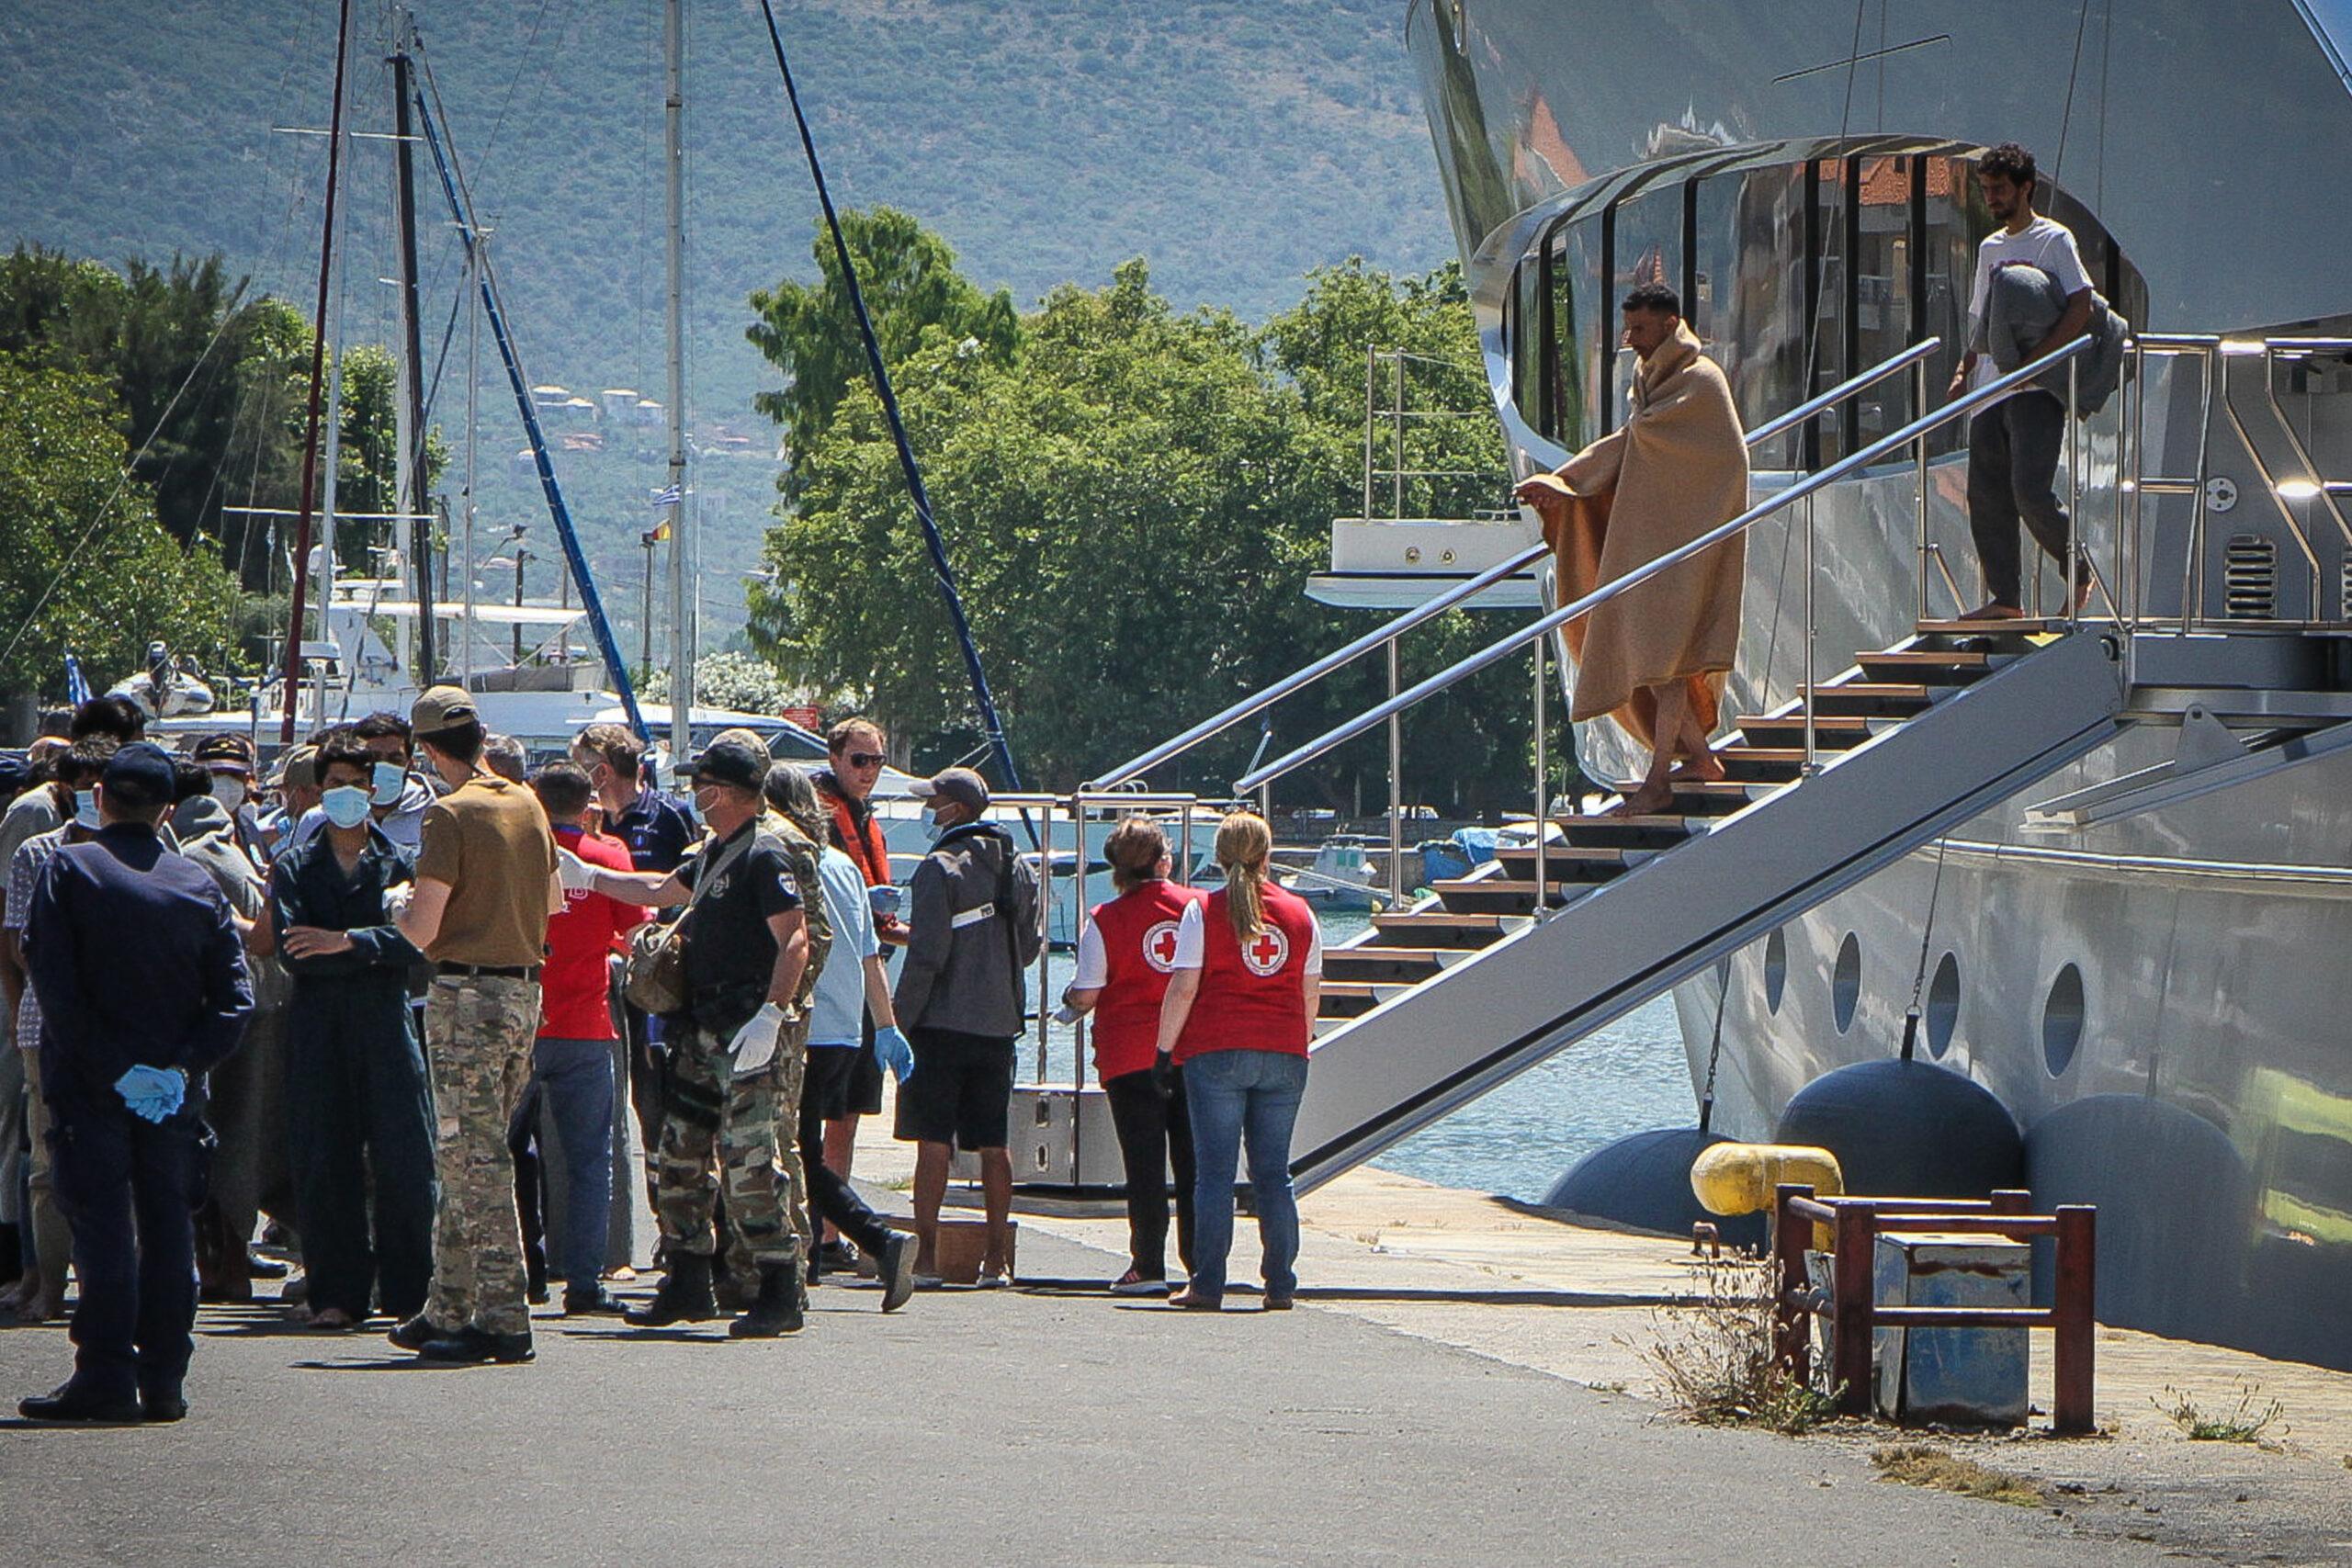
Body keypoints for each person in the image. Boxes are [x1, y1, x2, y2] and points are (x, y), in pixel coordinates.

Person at [18, 741, 252, 1421]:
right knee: (167, 1225)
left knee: (102, 1227)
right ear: (167, 810)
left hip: (93, 1083)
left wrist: (112, 1067)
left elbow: (54, 985)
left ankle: (106, 1373)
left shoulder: (70, 867)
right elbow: (232, 999)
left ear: (101, 799)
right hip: (171, 1088)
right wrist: (180, 1066)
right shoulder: (196, 883)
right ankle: (166, 1377)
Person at [563, 735, 815, 1338]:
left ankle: (781, 1285)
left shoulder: (764, 855)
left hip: (746, 1030)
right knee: (679, 1153)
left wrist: (771, 1015)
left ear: (724, 791)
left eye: (702, 784)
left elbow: (797, 940)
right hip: (700, 1030)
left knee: (751, 1162)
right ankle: (687, 1277)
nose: (695, 794)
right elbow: (656, 891)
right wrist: (591, 878)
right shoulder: (712, 853)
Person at [1514, 281, 1749, 816]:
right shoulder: (1655, 380)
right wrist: (1565, 485)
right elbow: (1637, 443)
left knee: (1665, 661)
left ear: (1670, 324)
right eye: (1628, 328)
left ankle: (1658, 781)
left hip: (1692, 542)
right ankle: (1699, 759)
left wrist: (1567, 480)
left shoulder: (1700, 382)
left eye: (1640, 329)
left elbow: (1669, 449)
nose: (1631, 340)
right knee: (1661, 659)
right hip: (1661, 542)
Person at [386, 687, 562, 1366]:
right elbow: (551, 900)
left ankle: (503, 1312)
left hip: (466, 996)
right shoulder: (526, 801)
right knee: (471, 1150)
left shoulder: (448, 814)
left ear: (429, 751)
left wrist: (399, 904)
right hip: (522, 993)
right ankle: (448, 1302)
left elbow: (423, 927)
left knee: (474, 1159)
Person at [266, 734, 436, 1331]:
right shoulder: (293, 864)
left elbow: (419, 939)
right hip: (317, 1025)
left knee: (408, 1156)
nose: (345, 794)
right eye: (333, 783)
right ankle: (336, 1291)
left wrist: (346, 941)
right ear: (319, 790)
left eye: (355, 784)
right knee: (324, 1158)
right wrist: (372, 948)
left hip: (388, 1022)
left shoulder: (399, 862)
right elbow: (293, 950)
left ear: (373, 790)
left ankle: (412, 1291)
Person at [1153, 810, 1319, 1313]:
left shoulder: (1202, 911)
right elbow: (1310, 993)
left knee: (1215, 1175)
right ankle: (1280, 1284)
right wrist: (1300, 1040)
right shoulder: (1301, 914)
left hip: (1217, 1050)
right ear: (1268, 855)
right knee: (1275, 1173)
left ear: (1221, 856)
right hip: (1285, 1052)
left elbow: (1183, 988)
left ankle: (1208, 1282)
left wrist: (1164, 1051)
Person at [765, 759, 916, 1310]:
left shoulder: (776, 858)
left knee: (794, 1149)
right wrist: (886, 1026)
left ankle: (873, 1236)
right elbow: (871, 953)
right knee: (803, 1146)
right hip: (844, 1028)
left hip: (800, 1021)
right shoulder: (844, 865)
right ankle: (807, 1258)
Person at [893, 766, 1040, 1288]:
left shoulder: (937, 867)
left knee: (934, 1142)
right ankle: (996, 1260)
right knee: (993, 1142)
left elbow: (929, 956)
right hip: (999, 1024)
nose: (929, 810)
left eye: (934, 801)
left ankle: (928, 1258)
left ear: (952, 808)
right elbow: (1028, 947)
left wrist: (896, 1021)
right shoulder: (1017, 865)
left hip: (941, 1023)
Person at [1948, 141, 2095, 621]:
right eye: (1986, 190)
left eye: (1999, 189)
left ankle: (2076, 563)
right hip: (1990, 390)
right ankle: (2006, 599)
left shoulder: (2055, 240)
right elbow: (1979, 320)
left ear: (2025, 188)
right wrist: (1962, 371)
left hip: (2037, 390)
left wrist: (2037, 360)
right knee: (1987, 497)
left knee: (2030, 491)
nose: (1991, 198)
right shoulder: (1991, 248)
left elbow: (2081, 305)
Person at [0, 738, 118, 1325]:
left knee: (124, 1162)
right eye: (88, 786)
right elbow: (20, 944)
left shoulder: (147, 849)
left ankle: (114, 1289)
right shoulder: (36, 854)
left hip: (126, 1031)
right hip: (45, 1026)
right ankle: (49, 1284)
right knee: (48, 1166)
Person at [1061, 817, 1204, 1296]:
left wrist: (1068, 1000)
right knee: (1194, 1165)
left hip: (1129, 1057)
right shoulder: (1199, 908)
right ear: (1164, 860)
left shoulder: (1104, 919)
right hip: (1190, 1051)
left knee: (1143, 1166)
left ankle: (1148, 1265)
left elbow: (1086, 992)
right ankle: (1201, 1264)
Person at [173, 734, 292, 1303]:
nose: (227, 781)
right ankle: (224, 1254)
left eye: (234, 772)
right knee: (231, 1137)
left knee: (231, 1138)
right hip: (237, 1007)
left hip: (237, 1008)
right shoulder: (214, 843)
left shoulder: (227, 838)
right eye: (214, 772)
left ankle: (227, 1254)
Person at [526, 761, 642, 1316]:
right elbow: (635, 931)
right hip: (587, 1024)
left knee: (505, 1153)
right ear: (588, 803)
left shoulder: (520, 853)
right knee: (591, 1159)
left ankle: (519, 1268)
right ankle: (585, 1281)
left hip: (523, 1020)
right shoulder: (609, 857)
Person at [571, 721, 692, 1223]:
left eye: (581, 766)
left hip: (655, 981)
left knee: (656, 1103)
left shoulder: (668, 817)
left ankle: (673, 1222)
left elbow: (688, 890)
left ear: (600, 770)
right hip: (593, 979)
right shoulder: (581, 823)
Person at [811, 716, 900, 1264]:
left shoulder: (866, 821)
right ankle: (808, 1231)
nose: (867, 772)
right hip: (830, 988)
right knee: (808, 1119)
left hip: (865, 983)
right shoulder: (820, 816)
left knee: (846, 1117)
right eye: (858, 761)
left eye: (876, 762)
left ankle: (827, 1233)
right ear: (836, 758)